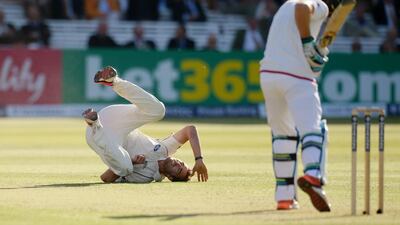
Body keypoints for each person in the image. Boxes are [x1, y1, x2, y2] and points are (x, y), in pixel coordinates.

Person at [259, 0, 341, 212]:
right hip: (296, 76)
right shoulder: (317, 4)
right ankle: (313, 175)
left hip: (268, 75)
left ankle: (284, 198)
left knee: (282, 135)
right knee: (313, 129)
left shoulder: (285, 6)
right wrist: (307, 43)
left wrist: (313, 49)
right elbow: (302, 8)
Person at [82, 66, 208, 183]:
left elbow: (105, 178)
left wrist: (132, 162)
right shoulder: (165, 149)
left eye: (179, 170)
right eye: (182, 163)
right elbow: (190, 130)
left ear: (169, 177)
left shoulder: (146, 177)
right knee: (159, 111)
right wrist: (198, 159)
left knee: (126, 168)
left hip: (99, 136)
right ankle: (114, 81)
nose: (178, 164)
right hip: (115, 119)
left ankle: (94, 123)